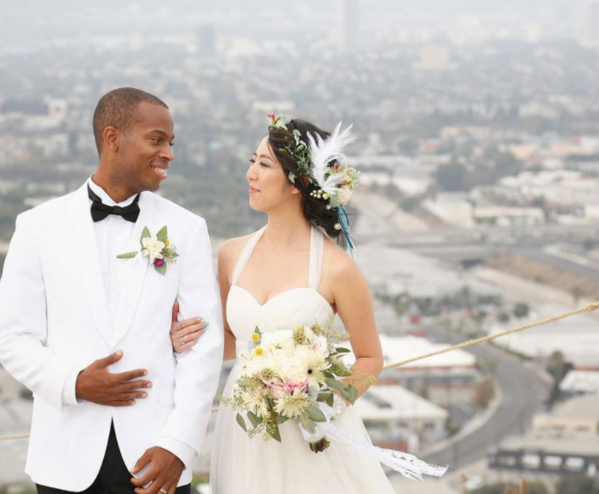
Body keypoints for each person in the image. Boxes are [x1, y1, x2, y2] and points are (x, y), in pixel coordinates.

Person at [0, 88, 223, 494]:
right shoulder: (37, 226)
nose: (169, 153)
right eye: (157, 140)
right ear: (113, 138)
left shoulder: (187, 229)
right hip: (65, 458)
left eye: (171, 143)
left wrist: (179, 445)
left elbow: (203, 345)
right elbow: (12, 338)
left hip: (158, 456)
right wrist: (74, 383)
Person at [179, 113, 420, 491]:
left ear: (298, 183)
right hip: (244, 428)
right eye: (252, 162)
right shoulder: (231, 254)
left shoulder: (338, 269)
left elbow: (371, 358)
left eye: (264, 165)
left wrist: (322, 406)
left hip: (311, 435)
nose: (250, 174)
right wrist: (186, 338)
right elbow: (229, 339)